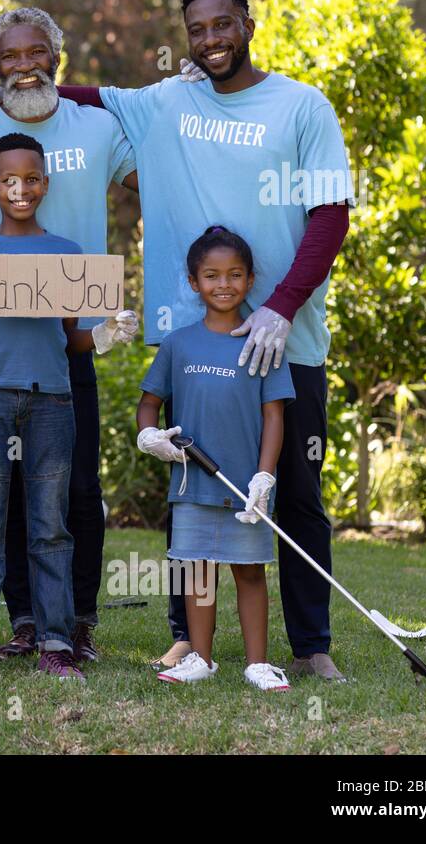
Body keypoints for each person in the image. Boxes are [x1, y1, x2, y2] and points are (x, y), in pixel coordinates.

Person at [0, 0, 354, 681]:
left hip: (280, 333)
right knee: (188, 485)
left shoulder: (302, 106)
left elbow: (331, 217)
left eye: (223, 25)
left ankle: (310, 644)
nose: (211, 40)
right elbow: (73, 94)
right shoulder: (162, 100)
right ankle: (183, 636)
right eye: (198, 30)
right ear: (187, 37)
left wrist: (281, 306)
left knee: (293, 488)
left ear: (248, 24)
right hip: (191, 333)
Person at [0, 6, 140, 666]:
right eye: (10, 58)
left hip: (69, 337)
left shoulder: (99, 126)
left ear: (57, 56)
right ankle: (21, 620)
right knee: (1, 498)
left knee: (75, 493)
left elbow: (162, 179)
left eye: (36, 53)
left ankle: (72, 623)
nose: (24, 66)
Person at [136, 226, 294, 691]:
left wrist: (265, 475)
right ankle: (200, 658)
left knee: (249, 572)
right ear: (193, 282)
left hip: (246, 486)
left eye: (234, 275)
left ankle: (258, 663)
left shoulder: (264, 341)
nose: (223, 284)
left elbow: (274, 415)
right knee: (199, 571)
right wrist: (149, 434)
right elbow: (150, 402)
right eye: (211, 275)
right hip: (193, 482)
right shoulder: (178, 343)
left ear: (249, 280)